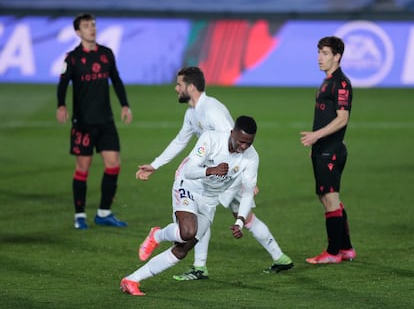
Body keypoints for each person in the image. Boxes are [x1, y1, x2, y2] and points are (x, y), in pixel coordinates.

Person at [136, 66, 292, 279]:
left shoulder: (212, 111)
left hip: (229, 174)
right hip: (216, 174)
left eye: (179, 84)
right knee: (209, 213)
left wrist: (247, 179)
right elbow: (180, 140)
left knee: (241, 216)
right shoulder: (192, 113)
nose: (176, 88)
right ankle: (202, 266)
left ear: (190, 87)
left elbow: (236, 142)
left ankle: (278, 256)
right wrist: (155, 164)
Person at [121, 116, 262, 296]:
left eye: (248, 143)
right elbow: (189, 170)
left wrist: (240, 222)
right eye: (241, 141)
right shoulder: (211, 139)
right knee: (188, 231)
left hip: (210, 201)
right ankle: (157, 235)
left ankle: (131, 280)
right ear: (232, 132)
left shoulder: (251, 158)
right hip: (188, 185)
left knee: (181, 250)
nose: (243, 147)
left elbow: (248, 192)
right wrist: (211, 170)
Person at [56, 13, 133, 230]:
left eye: (93, 25)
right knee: (83, 167)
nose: (92, 28)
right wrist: (61, 105)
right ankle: (79, 215)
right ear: (78, 32)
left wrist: (125, 105)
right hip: (83, 123)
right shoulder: (72, 58)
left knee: (114, 163)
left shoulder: (106, 54)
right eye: (87, 26)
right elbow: (62, 85)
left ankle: (103, 212)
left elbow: (116, 80)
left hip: (106, 121)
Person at [300, 36, 355, 264]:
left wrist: (316, 136)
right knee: (325, 197)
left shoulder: (341, 83)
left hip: (330, 150)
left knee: (330, 199)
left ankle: (332, 253)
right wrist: (316, 143)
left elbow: (342, 119)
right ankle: (346, 248)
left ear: (337, 56)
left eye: (324, 53)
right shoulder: (327, 81)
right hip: (322, 149)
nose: (319, 57)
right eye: (319, 52)